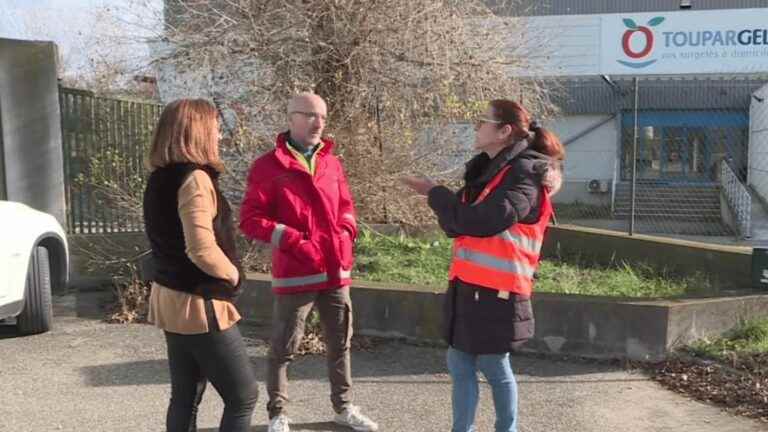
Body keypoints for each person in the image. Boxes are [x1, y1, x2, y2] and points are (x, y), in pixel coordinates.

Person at [402, 99, 564, 432]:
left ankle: (507, 429)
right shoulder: (484, 171)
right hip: (468, 288)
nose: (475, 127)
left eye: (481, 121)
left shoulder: (524, 173)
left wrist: (436, 193)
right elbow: (456, 224)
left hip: (499, 293)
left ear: (504, 131)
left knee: (493, 366)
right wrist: (441, 199)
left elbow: (483, 221)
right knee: (459, 363)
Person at [239, 92, 378, 432]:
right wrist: (293, 240)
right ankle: (278, 414)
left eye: (323, 117)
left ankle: (343, 408)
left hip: (335, 270)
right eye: (310, 115)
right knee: (284, 347)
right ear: (291, 117)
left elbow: (346, 205)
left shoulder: (332, 162)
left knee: (340, 343)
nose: (318, 123)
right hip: (295, 272)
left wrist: (346, 231)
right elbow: (250, 219)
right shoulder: (267, 166)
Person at [143, 99, 259, 432]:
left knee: (185, 396)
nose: (220, 134)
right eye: (215, 127)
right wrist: (234, 275)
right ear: (197, 131)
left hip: (170, 297)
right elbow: (201, 249)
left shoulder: (159, 178)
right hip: (198, 302)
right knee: (243, 397)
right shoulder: (195, 179)